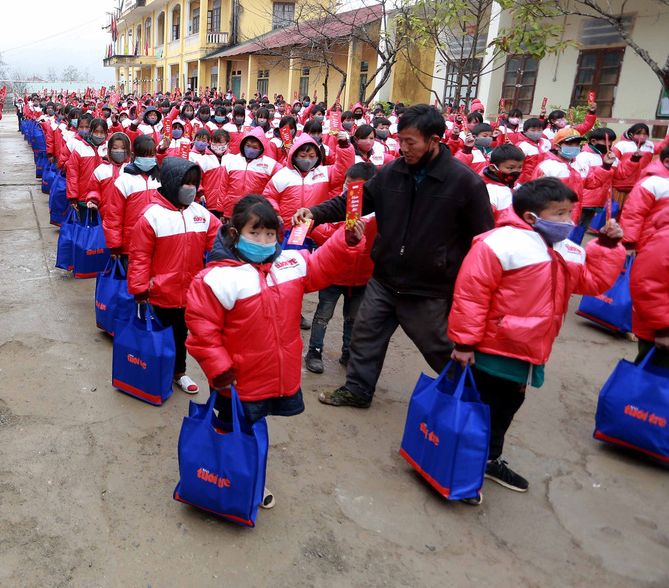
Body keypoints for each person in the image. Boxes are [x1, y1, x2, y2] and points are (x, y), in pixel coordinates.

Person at [293, 104, 494, 408]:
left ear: (434, 141)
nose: (403, 148)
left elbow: (482, 241)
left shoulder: (465, 183)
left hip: (429, 287)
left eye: (411, 142)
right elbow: (354, 202)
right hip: (384, 278)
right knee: (365, 335)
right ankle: (357, 390)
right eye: (401, 141)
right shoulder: (393, 172)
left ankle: (473, 399)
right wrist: (316, 213)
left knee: (439, 347)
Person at [447, 178, 625, 498]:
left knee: (506, 406)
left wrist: (608, 248)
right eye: (559, 213)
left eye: (571, 212)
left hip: (528, 350)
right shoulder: (500, 242)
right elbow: (471, 294)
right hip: (493, 346)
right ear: (531, 216)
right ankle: (460, 469)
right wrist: (464, 342)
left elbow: (592, 282)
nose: (568, 220)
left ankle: (487, 459)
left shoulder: (567, 249)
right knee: (480, 407)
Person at [185, 194, 365, 507]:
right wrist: (220, 370)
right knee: (231, 428)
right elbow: (203, 331)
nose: (264, 240)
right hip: (237, 380)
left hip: (271, 377)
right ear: (234, 234)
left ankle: (245, 480)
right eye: (254, 233)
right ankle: (220, 480)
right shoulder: (217, 278)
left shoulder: (288, 264)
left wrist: (346, 240)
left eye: (270, 234)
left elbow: (322, 266)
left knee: (252, 429)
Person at [127, 157, 220, 395]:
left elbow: (220, 243)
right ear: (171, 183)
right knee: (158, 335)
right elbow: (139, 256)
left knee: (181, 334)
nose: (190, 189)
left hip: (190, 293)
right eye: (185, 183)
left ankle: (179, 372)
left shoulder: (201, 214)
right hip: (159, 293)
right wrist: (139, 289)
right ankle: (156, 370)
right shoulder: (152, 215)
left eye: (194, 183)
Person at [305, 162, 379, 373]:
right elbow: (321, 231)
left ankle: (348, 352)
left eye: (356, 188)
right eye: (347, 186)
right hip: (333, 274)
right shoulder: (337, 208)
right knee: (322, 315)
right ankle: (314, 351)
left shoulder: (379, 215)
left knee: (354, 318)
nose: (350, 192)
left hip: (362, 277)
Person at [622, 144, 669, 369]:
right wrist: (629, 242)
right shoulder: (653, 182)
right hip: (650, 244)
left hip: (657, 245)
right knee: (645, 287)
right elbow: (633, 212)